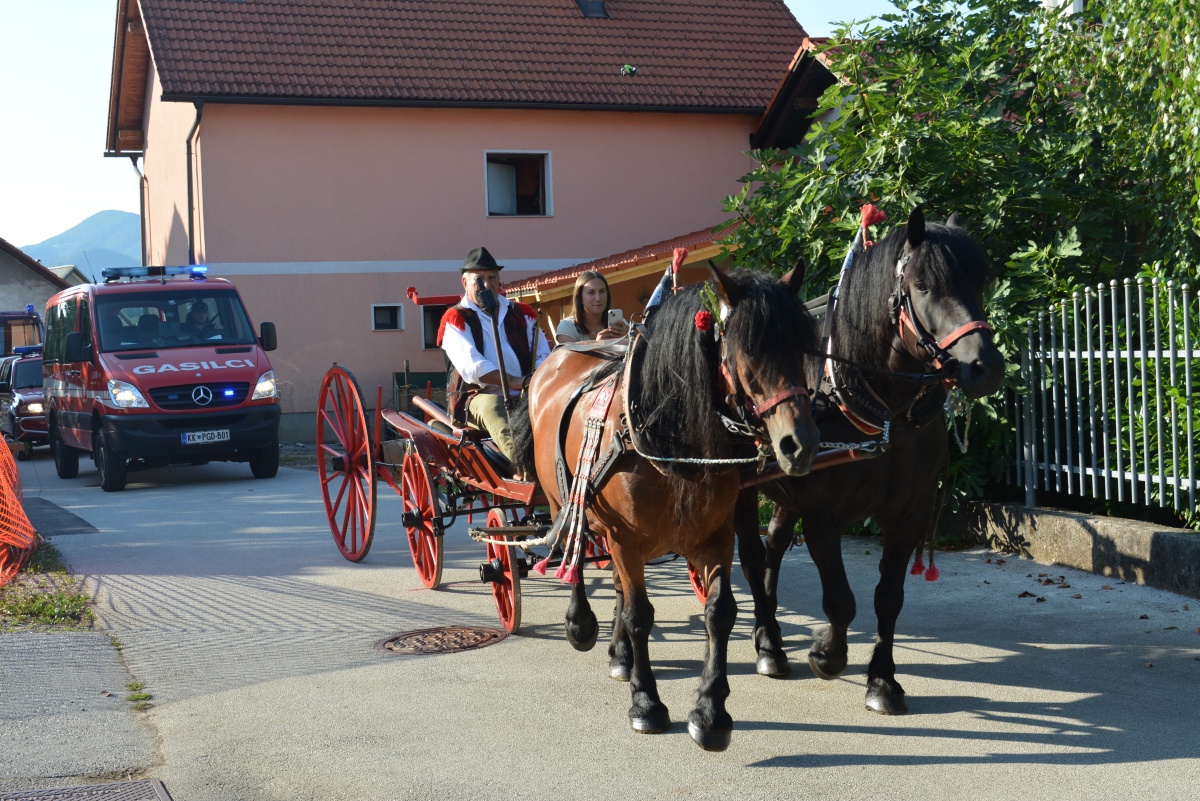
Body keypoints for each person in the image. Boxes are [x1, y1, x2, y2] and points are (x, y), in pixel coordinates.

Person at [438, 247, 550, 464]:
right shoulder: (455, 318)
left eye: (492, 278)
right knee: (495, 408)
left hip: (529, 390)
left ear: (500, 281)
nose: (487, 284)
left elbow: (543, 354)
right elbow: (473, 367)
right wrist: (515, 382)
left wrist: (534, 381)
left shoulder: (522, 312)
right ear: (465, 283)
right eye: (479, 279)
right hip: (476, 397)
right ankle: (526, 466)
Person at [555, 270, 628, 344]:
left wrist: (627, 340)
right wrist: (597, 346)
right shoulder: (567, 327)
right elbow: (569, 355)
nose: (598, 298)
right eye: (591, 292)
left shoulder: (620, 323)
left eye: (602, 291)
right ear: (580, 298)